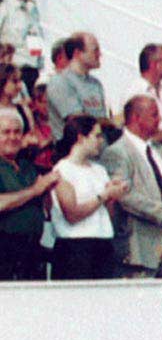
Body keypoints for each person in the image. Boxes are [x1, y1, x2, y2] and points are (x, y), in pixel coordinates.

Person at [101, 96, 162, 277]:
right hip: (139, 247)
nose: (159, 119)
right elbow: (124, 195)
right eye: (154, 115)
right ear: (136, 118)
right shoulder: (117, 152)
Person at [49, 115, 125, 280]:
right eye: (96, 136)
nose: (101, 141)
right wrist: (104, 195)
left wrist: (113, 194)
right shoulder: (62, 170)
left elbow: (107, 214)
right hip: (75, 247)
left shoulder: (100, 170)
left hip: (102, 242)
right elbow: (72, 215)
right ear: (81, 138)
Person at [0, 106, 55, 280]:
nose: (12, 137)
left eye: (17, 132)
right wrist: (34, 190)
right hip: (5, 252)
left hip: (32, 251)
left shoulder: (27, 167)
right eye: (5, 132)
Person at [0, 0, 49, 88]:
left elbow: (35, 42)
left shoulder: (31, 8)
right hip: (9, 76)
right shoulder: (3, 5)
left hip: (31, 73)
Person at [45, 33, 108, 123]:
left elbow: (103, 119)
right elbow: (77, 122)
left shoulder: (96, 84)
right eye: (95, 50)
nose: (100, 54)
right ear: (77, 53)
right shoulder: (60, 82)